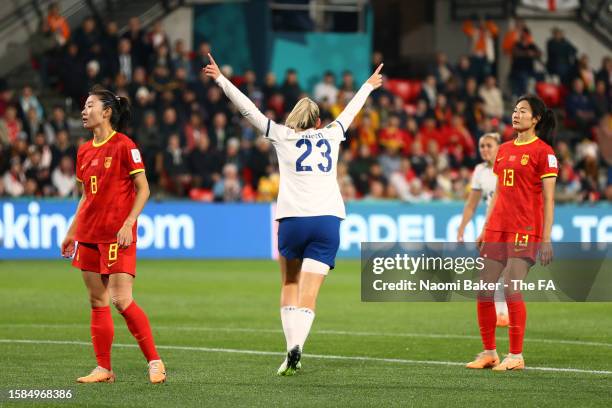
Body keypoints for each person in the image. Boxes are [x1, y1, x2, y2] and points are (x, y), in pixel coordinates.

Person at [204, 53, 383, 376]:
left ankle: (290, 350)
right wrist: (368, 86)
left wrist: (220, 78)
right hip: (327, 220)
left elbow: (248, 109)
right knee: (310, 293)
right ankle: (298, 347)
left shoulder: (281, 135)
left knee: (289, 282)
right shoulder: (332, 133)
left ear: (294, 118)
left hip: (292, 221)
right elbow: (351, 111)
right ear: (317, 121)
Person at [60, 86, 166, 384]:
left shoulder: (124, 145)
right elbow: (85, 197)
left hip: (118, 236)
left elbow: (144, 189)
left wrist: (128, 223)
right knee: (98, 300)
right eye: (84, 105)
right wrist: (71, 232)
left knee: (121, 299)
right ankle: (104, 368)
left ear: (106, 111)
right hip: (89, 234)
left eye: (90, 105)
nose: (84, 110)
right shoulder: (83, 150)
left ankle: (155, 361)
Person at [467, 95, 558, 371]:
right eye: (515, 110)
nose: (516, 115)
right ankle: (489, 352)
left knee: (510, 286)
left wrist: (546, 238)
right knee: (484, 288)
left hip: (525, 229)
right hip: (497, 228)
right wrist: (485, 226)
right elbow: (498, 194)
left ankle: (516, 355)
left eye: (523, 111)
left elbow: (549, 198)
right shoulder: (504, 149)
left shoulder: (545, 153)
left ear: (536, 118)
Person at [456, 133, 508, 326]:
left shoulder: (509, 167)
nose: (484, 149)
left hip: (512, 222)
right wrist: (462, 226)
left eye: (489, 145)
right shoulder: (479, 171)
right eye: (482, 146)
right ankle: (501, 313)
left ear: (498, 147)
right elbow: (471, 204)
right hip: (492, 224)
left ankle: (503, 311)